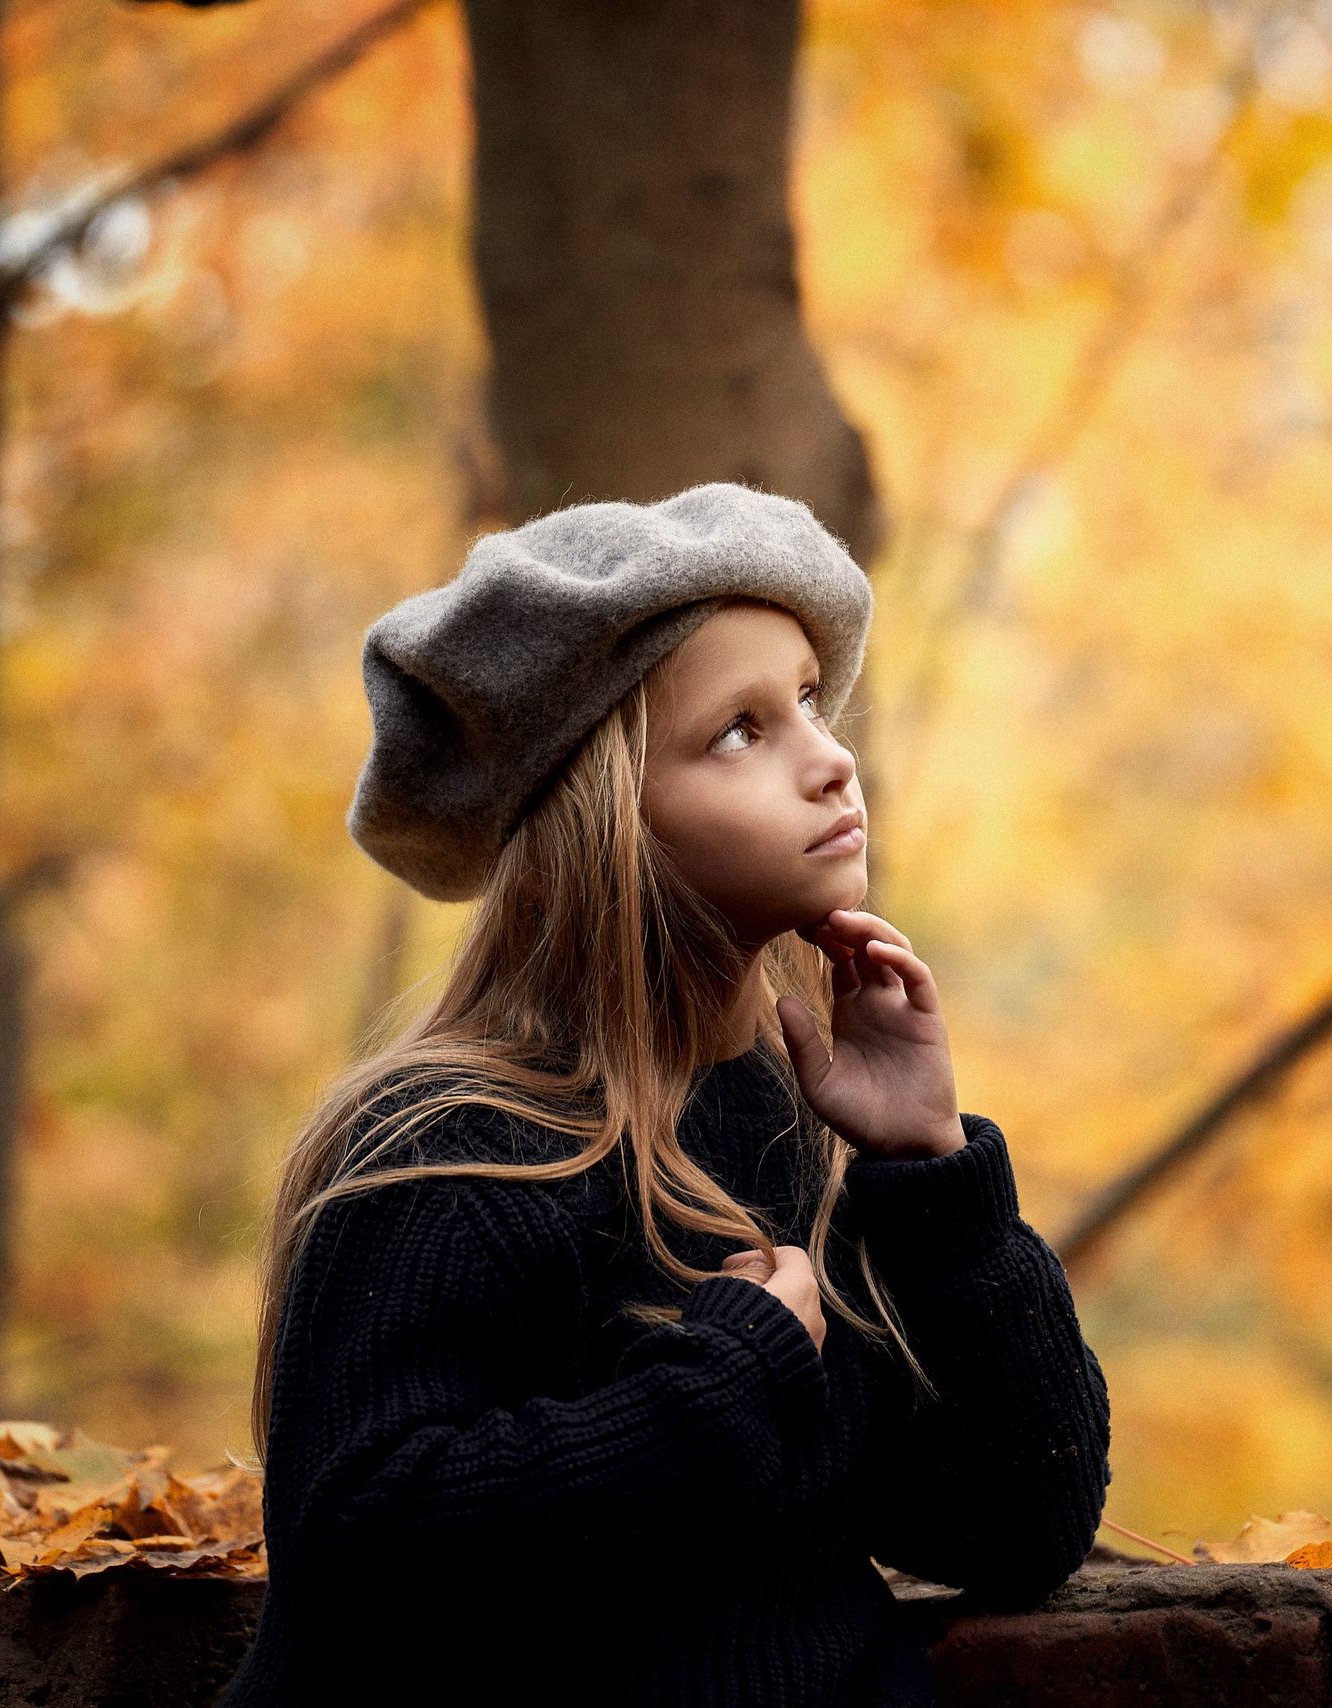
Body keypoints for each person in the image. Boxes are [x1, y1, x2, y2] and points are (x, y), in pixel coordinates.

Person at [218, 484, 1111, 1706]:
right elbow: (365, 1551)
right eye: (740, 731)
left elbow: (1019, 1528)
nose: (831, 756)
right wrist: (722, 1387)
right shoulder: (453, 1149)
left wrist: (932, 1171)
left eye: (805, 699)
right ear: (601, 821)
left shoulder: (806, 1124)